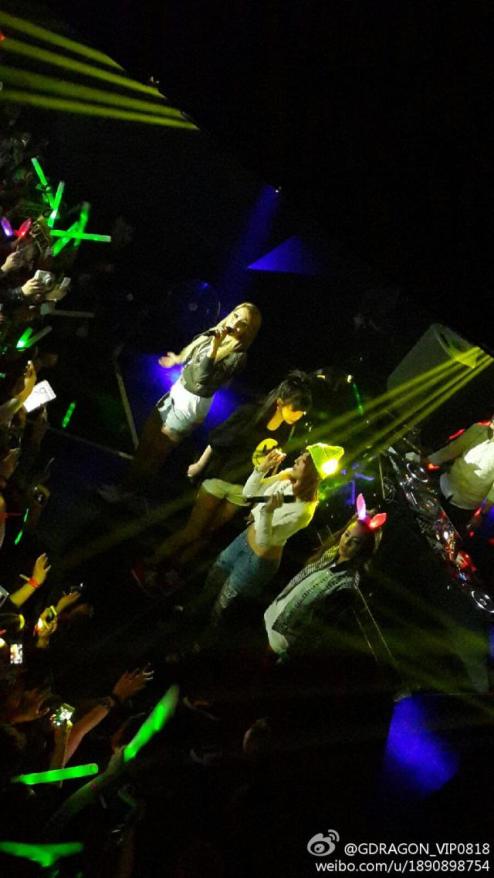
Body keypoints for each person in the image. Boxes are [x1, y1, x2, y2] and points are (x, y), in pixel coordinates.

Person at [139, 371, 313, 580]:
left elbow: (272, 465)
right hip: (220, 477)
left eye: (302, 412)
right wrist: (199, 464)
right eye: (296, 409)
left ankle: (173, 571)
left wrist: (259, 499)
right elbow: (218, 438)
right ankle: (152, 562)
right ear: (280, 402)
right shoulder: (250, 413)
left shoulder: (286, 431)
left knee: (208, 533)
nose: (298, 415)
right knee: (193, 530)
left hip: (242, 489)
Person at [99, 302, 262, 502]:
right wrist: (177, 359)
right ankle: (123, 486)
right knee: (146, 442)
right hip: (177, 391)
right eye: (236, 316)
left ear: (248, 331)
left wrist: (214, 347)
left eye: (243, 323)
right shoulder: (213, 333)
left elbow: (203, 377)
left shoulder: (237, 357)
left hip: (189, 407)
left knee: (156, 453)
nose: (235, 323)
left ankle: (128, 493)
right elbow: (191, 353)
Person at [203, 442, 344, 623]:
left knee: (222, 608)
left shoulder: (304, 510)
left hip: (257, 561)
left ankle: (204, 637)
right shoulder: (287, 477)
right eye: (300, 456)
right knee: (212, 583)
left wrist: (266, 512)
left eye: (302, 461)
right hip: (243, 540)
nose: (296, 460)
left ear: (312, 472)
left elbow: (264, 540)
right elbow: (249, 494)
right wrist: (261, 469)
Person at [263, 499, 386, 661]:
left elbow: (319, 628)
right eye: (346, 534)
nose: (346, 542)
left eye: (355, 542)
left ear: (363, 549)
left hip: (281, 641)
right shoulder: (330, 553)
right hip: (271, 616)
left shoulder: (347, 585)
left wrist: (291, 653)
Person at [422, 415, 494, 534]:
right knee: (421, 518)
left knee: (439, 535)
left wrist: (481, 514)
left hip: (465, 505)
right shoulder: (477, 429)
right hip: (444, 485)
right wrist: (427, 461)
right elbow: (452, 450)